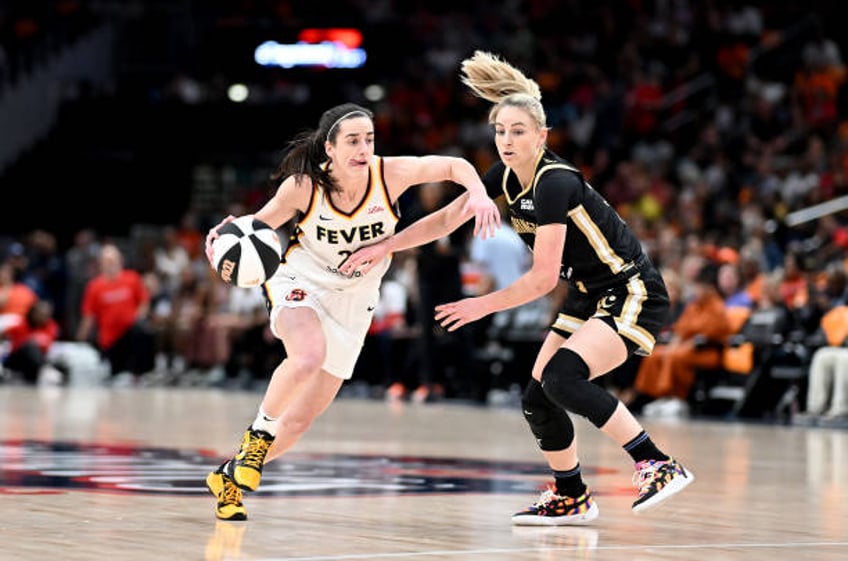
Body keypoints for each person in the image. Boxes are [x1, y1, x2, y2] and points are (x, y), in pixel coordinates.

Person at [342, 52, 694, 525]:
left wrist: (479, 306)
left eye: (518, 132)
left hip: (630, 290)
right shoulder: (504, 177)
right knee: (537, 397)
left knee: (563, 379)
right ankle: (570, 495)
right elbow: (449, 218)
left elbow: (543, 278)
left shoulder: (555, 182)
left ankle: (657, 462)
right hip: (588, 294)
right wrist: (387, 246)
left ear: (542, 136)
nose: (506, 141)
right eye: (500, 131)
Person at [202, 102, 500, 521]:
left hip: (356, 295)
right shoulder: (303, 186)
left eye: (370, 139)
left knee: (303, 420)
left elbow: (455, 166)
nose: (364, 148)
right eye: (354, 141)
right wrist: (226, 236)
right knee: (307, 356)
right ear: (330, 148)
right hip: (301, 278)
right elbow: (259, 226)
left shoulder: (389, 173)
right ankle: (258, 434)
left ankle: (231, 477)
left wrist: (481, 195)